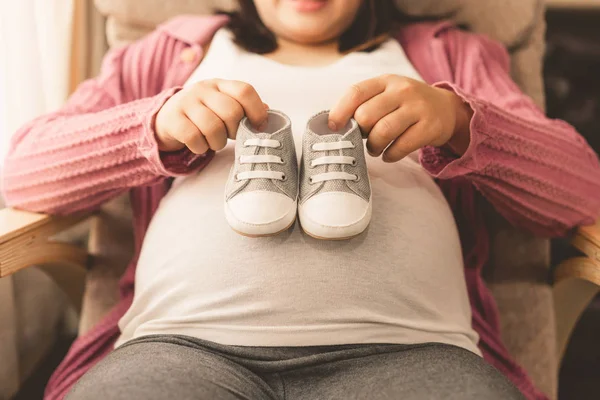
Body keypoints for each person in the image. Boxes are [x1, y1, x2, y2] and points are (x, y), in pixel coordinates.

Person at [3, 0, 600, 399]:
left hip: (414, 353)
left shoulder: (449, 54)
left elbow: (581, 188)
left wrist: (463, 122)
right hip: (177, 346)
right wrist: (150, 128)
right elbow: (21, 173)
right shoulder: (170, 53)